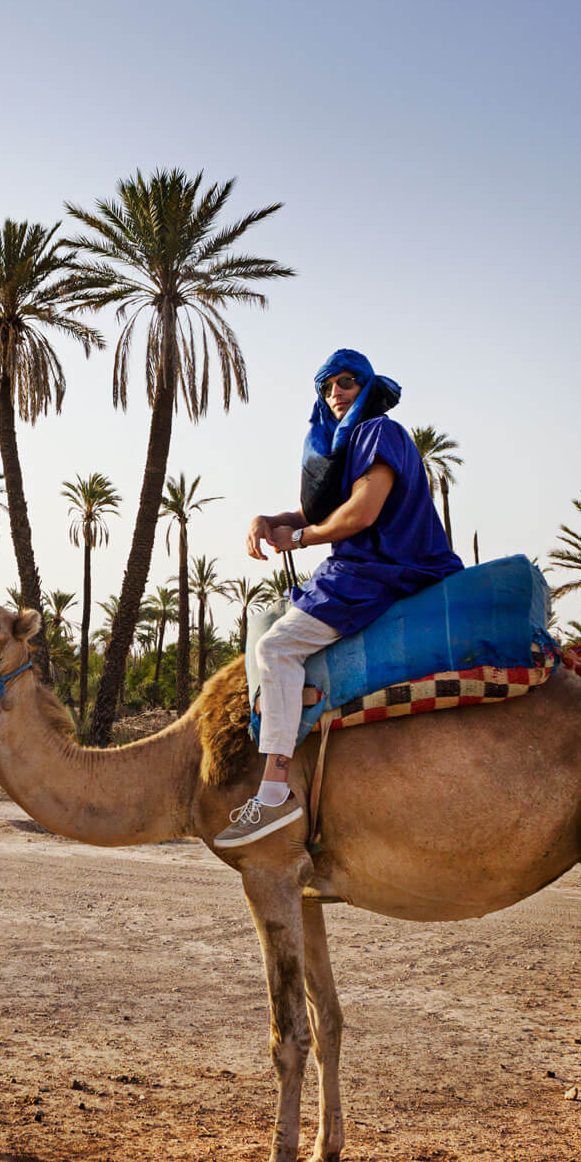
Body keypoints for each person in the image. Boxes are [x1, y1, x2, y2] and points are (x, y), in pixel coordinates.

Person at [215, 347, 463, 848]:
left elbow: (361, 514)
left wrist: (300, 540)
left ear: (367, 387)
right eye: (327, 387)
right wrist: (270, 521)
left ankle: (274, 793)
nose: (335, 395)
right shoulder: (350, 448)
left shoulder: (379, 433)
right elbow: (322, 510)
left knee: (276, 649)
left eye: (346, 383)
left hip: (380, 571)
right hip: (360, 570)